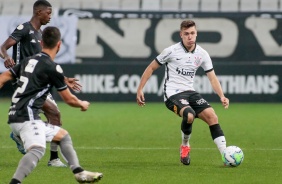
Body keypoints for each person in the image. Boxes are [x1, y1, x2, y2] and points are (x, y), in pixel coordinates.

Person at [0, 26, 103, 184]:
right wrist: (82, 103)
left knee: (63, 136)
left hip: (16, 114)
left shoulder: (29, 61)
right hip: (27, 117)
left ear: (41, 43)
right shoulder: (52, 67)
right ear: (59, 45)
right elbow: (69, 99)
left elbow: (4, 76)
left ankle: (79, 172)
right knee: (37, 150)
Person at [136, 20, 229, 165]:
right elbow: (151, 68)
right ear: (181, 35)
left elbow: (212, 77)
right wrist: (140, 89)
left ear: (196, 34)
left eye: (192, 33)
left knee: (212, 116)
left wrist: (222, 96)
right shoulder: (171, 51)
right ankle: (185, 146)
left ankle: (226, 155)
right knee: (189, 115)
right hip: (172, 94)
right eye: (186, 34)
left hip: (190, 92)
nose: (190, 37)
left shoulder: (202, 54)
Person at [0, 0, 80, 167]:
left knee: (55, 115)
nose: (50, 16)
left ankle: (24, 136)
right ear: (38, 12)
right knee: (54, 114)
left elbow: (43, 64)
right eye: (48, 13)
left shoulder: (41, 35)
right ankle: (52, 158)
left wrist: (64, 79)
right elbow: (3, 47)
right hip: (25, 82)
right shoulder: (24, 29)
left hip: (40, 84)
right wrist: (7, 58)